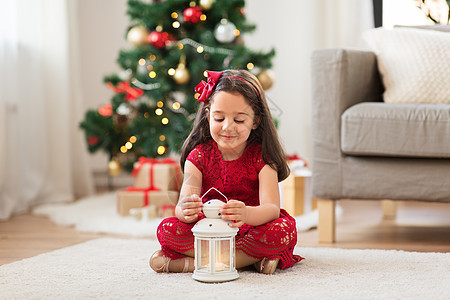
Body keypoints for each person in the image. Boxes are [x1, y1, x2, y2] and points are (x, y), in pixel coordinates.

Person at [149, 70, 303, 274]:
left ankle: (198, 263)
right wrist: (186, 211)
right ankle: (248, 261)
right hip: (208, 231)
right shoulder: (198, 156)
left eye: (239, 120)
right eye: (219, 118)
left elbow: (271, 209)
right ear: (208, 115)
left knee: (284, 230)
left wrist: (246, 213)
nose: (228, 127)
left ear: (255, 121)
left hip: (249, 228)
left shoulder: (262, 158)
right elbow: (181, 208)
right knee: (166, 229)